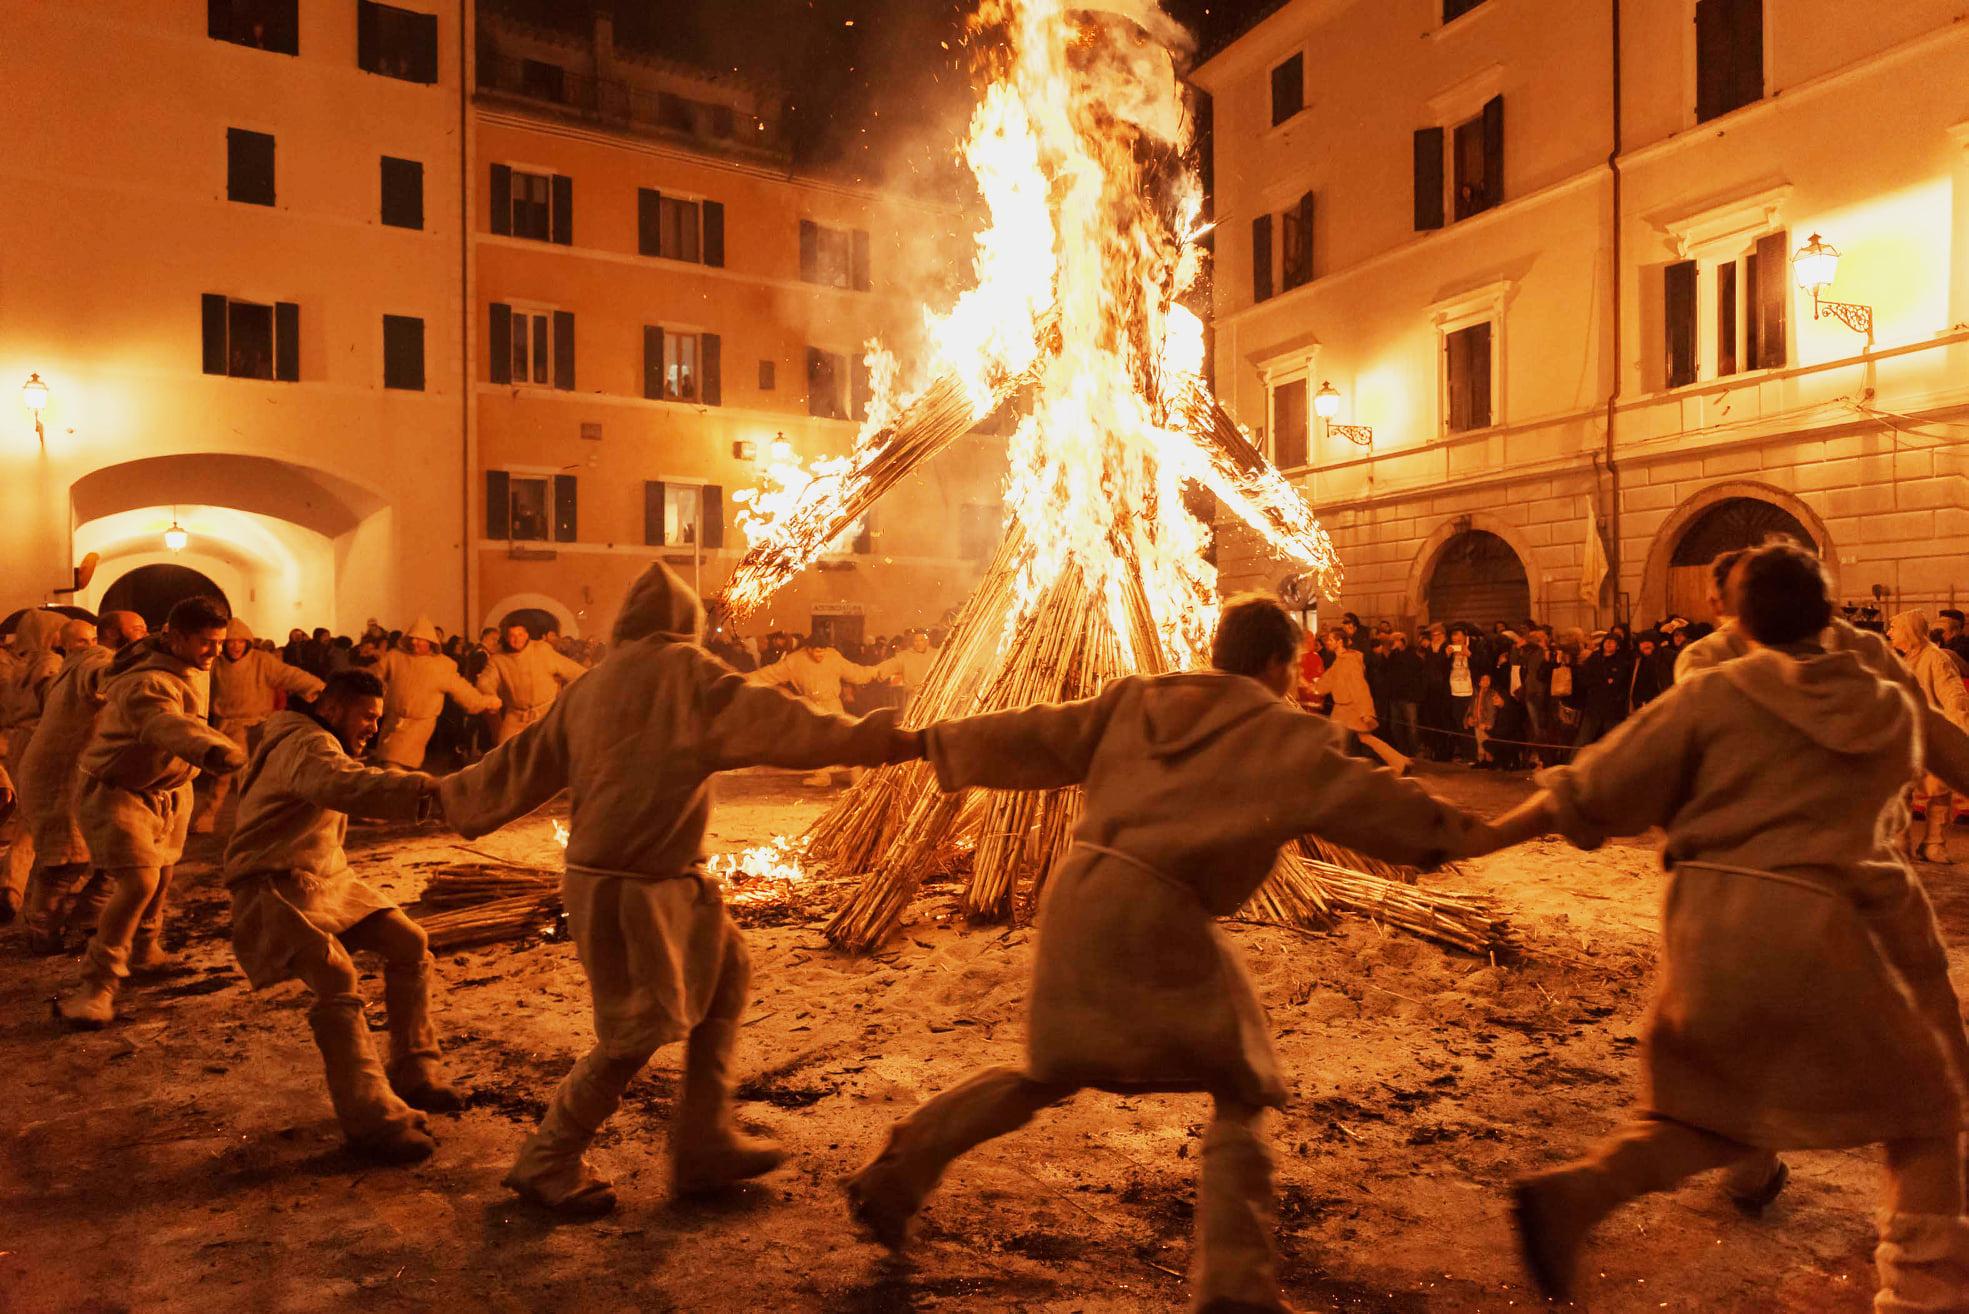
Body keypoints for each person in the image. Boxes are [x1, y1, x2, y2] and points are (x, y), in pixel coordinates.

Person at [845, 594, 1486, 1314]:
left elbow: (1034, 735)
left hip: (1079, 895)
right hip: (1160, 911)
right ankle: (1236, 1290)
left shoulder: (1139, 700)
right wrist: (1473, 832)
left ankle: (895, 1174)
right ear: (1276, 663)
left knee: (1049, 1070)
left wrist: (927, 740)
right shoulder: (1283, 735)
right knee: (1241, 1085)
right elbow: (1376, 806)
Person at [1480, 542, 1969, 1307]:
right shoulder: (1879, 685)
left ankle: (1583, 1192)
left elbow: (1595, 787)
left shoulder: (1707, 680)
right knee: (1928, 1110)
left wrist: (1474, 836)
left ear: (1733, 614)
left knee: (1705, 1107)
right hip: (1841, 924)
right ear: (1827, 605)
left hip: (1716, 926)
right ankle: (1922, 1297)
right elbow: (1946, 747)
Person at [438, 563, 921, 1216]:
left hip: (628, 882)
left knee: (725, 977)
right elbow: (783, 723)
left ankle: (703, 1142)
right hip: (640, 891)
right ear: (684, 626)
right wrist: (876, 739)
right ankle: (547, 1156)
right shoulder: (690, 676)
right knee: (634, 1033)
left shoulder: (591, 685)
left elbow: (522, 763)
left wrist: (450, 797)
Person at [225, 669, 457, 1162]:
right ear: (331, 709)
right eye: (366, 716)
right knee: (335, 977)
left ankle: (415, 1068)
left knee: (408, 942)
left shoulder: (313, 737)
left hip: (325, 877)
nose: (373, 727)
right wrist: (428, 793)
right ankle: (371, 1118)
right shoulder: (306, 746)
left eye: (378, 718)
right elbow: (342, 783)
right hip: (271, 883)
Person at [58, 597, 247, 1028]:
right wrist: (212, 749)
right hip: (119, 789)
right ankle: (96, 987)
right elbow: (164, 724)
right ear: (175, 637)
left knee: (162, 873)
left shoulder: (191, 664)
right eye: (206, 643)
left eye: (220, 642)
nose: (215, 653)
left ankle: (145, 949)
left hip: (170, 788)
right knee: (139, 878)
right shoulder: (145, 683)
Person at [17, 610, 148, 955]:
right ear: (110, 636)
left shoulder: (77, 663)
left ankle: (89, 921)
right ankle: (42, 930)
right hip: (60, 776)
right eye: (136, 631)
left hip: (82, 772)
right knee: (65, 860)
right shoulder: (97, 661)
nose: (144, 636)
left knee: (114, 854)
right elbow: (104, 678)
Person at [193, 618, 325, 834]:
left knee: (258, 776)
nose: (235, 646)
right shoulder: (215, 663)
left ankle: (255, 820)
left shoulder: (262, 661)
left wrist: (318, 688)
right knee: (222, 775)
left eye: (240, 641)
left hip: (258, 725)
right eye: (231, 641)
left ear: (247, 642)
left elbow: (288, 675)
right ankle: (208, 816)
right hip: (227, 726)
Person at [0, 609, 71, 921]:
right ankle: (13, 887)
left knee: (25, 816)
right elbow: (56, 711)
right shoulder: (51, 665)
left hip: (14, 741)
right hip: (40, 741)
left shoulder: (13, 665)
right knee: (39, 817)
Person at [1889, 609, 1969, 864]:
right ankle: (1900, 841)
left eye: (1894, 628)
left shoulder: (1936, 659)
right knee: (1900, 788)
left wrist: (1960, 729)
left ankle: (1934, 843)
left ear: (1908, 631)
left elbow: (1954, 696)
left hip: (1932, 736)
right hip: (1905, 737)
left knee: (1937, 791)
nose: (1889, 632)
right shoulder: (1902, 659)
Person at [749, 636, 884, 786]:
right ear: (809, 649)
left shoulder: (833, 657)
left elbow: (855, 672)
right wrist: (743, 680)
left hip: (832, 705)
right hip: (811, 706)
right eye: (817, 652)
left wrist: (874, 672)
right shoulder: (795, 661)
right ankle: (822, 776)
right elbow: (769, 673)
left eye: (823, 652)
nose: (821, 655)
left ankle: (858, 780)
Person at [371, 617, 501, 769]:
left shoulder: (442, 666)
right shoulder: (394, 657)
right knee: (391, 768)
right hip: (392, 722)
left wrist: (486, 702)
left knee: (393, 763)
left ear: (430, 642)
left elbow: (464, 692)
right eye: (412, 638)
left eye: (420, 639)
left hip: (419, 724)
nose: (414, 642)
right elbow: (373, 676)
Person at [1311, 627, 1409, 775]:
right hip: (1343, 708)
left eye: (1331, 640)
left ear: (1339, 642)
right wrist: (1312, 687)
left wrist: (1366, 712)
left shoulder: (1350, 661)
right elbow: (1328, 681)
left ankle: (1338, 771)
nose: (1327, 643)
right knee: (1363, 738)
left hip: (1349, 708)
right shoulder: (1340, 661)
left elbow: (1360, 687)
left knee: (1336, 739)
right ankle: (1401, 762)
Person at [476, 620, 587, 745]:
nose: (517, 639)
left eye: (520, 634)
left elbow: (572, 670)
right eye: (512, 636)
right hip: (516, 716)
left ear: (527, 635)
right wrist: (490, 694)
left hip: (546, 714)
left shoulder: (542, 651)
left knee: (553, 751)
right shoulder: (498, 659)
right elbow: (485, 681)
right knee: (504, 751)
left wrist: (594, 680)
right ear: (506, 638)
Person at [876, 631, 938, 714]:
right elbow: (895, 675)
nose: (918, 643)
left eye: (921, 640)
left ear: (927, 642)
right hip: (913, 697)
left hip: (933, 697)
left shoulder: (936, 654)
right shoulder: (904, 656)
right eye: (916, 641)